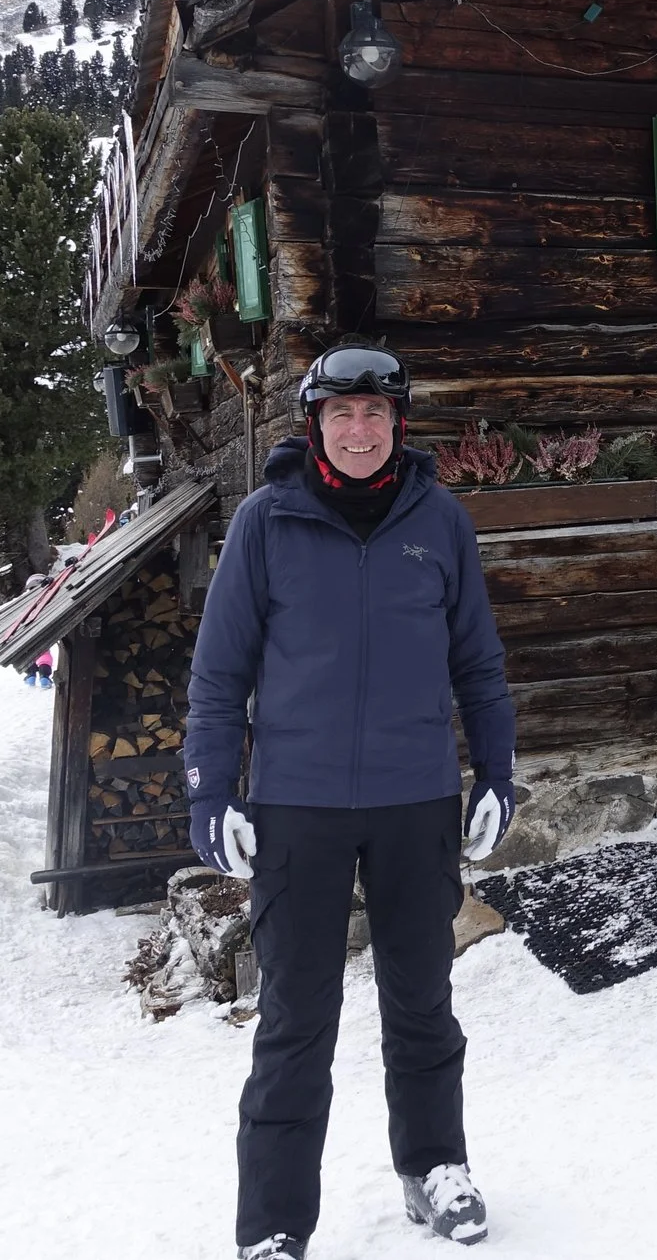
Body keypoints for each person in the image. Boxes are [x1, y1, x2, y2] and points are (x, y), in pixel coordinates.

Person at [184, 341, 517, 1260]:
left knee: (423, 1001)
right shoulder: (265, 523)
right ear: (316, 426)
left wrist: (495, 773)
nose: (360, 430)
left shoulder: (440, 521)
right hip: (298, 808)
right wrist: (213, 794)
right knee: (297, 1017)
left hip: (416, 802)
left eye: (375, 414)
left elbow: (478, 665)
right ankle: (275, 1224)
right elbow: (218, 677)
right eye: (342, 414)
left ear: (397, 424)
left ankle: (434, 1165)